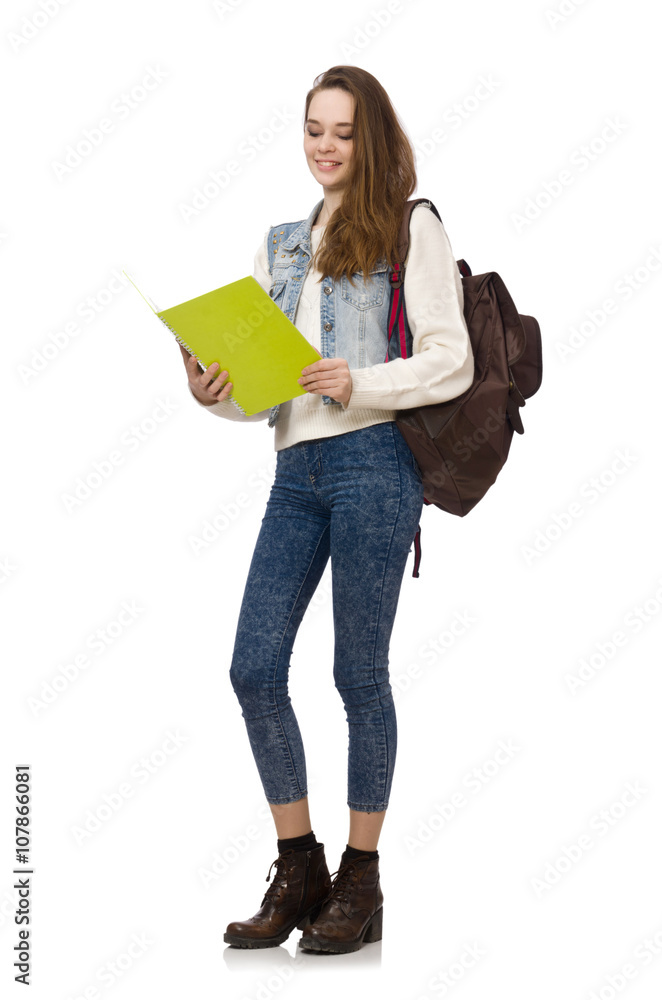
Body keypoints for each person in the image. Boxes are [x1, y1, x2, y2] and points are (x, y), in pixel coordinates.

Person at [180, 65, 474, 954]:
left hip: (374, 463)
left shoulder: (410, 225)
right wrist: (213, 391)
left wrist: (361, 381)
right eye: (314, 128)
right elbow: (264, 393)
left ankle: (362, 877)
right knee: (254, 668)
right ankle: (298, 865)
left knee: (358, 675)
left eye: (343, 131)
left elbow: (451, 357)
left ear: (371, 136)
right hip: (294, 470)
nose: (325, 145)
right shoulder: (282, 244)